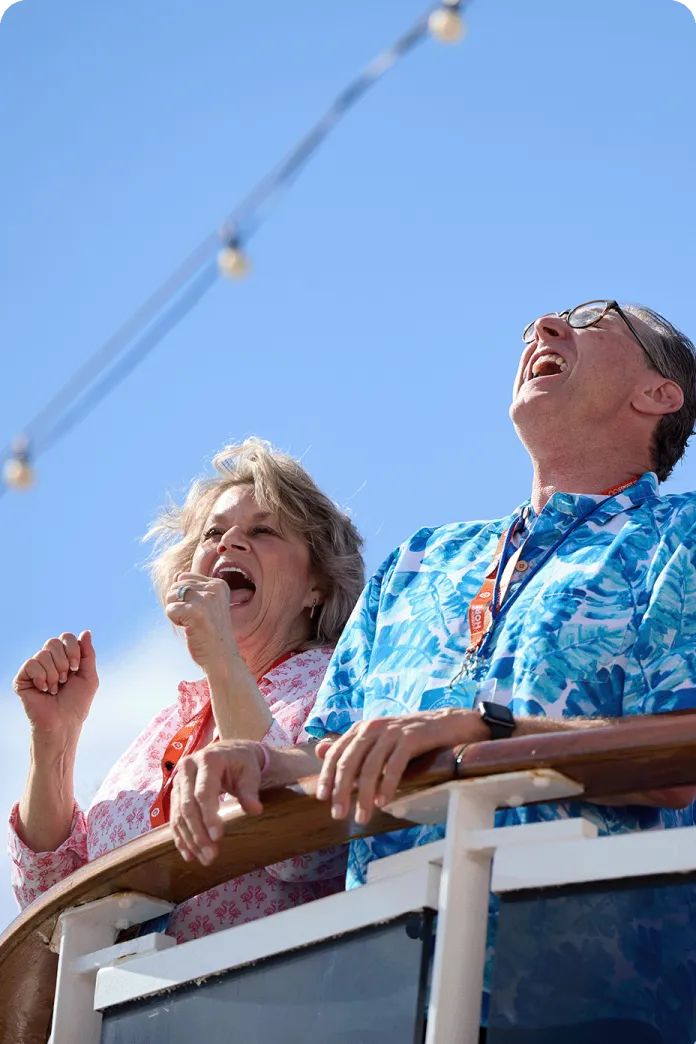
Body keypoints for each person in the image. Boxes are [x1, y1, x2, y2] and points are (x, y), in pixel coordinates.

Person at [169, 302, 696, 1037]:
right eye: (542, 325)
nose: (541, 328)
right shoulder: (423, 559)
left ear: (658, 394)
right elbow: (329, 755)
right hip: (385, 999)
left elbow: (681, 756)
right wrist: (256, 760)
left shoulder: (683, 536)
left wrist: (489, 731)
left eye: (591, 320)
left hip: (598, 1004)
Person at [9, 438, 364, 941]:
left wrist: (221, 654)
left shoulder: (339, 683)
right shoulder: (167, 725)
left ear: (318, 586)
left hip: (269, 1003)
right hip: (121, 1013)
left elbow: (303, 852)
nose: (229, 543)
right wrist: (55, 740)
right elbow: (49, 897)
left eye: (262, 530)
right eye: (213, 533)